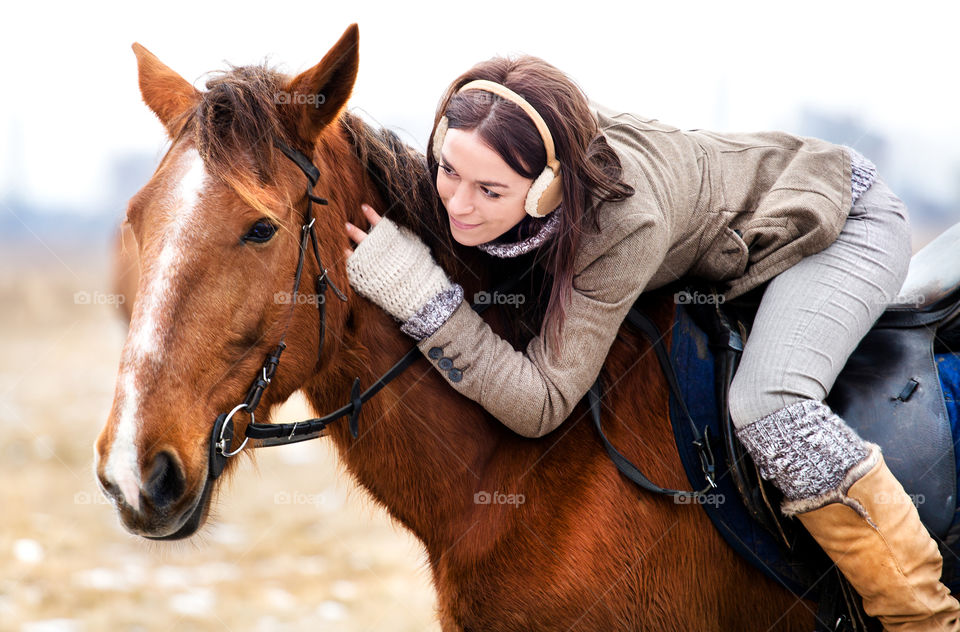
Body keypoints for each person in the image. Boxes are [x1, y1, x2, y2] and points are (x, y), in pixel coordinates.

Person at [342, 54, 959, 630]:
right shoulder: (505, 150)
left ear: (546, 190)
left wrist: (423, 296)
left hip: (840, 223)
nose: (457, 203)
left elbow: (540, 405)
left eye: (489, 192)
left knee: (772, 408)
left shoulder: (624, 225)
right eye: (449, 170)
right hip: (737, 222)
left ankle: (922, 612)